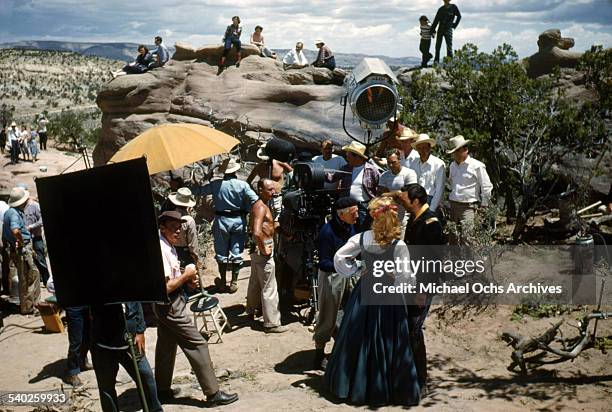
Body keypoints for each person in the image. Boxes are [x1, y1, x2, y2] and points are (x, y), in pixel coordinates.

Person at [324, 196, 420, 407]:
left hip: (365, 292)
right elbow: (407, 276)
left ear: (373, 217)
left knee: (359, 335)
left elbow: (339, 258)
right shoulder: (398, 244)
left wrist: (358, 268)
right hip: (389, 295)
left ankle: (355, 385)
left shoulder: (363, 238)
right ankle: (386, 387)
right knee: (389, 337)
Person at [153, 211, 238, 406]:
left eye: (179, 227)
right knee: (198, 343)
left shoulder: (167, 244)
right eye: (174, 228)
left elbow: (171, 278)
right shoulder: (162, 248)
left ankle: (162, 390)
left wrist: (185, 279)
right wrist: (186, 276)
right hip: (170, 305)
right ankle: (213, 393)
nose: (178, 231)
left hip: (169, 305)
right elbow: (164, 287)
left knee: (166, 345)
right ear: (163, 228)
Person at [390, 183, 445, 391]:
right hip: (410, 281)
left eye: (404, 200)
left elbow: (432, 262)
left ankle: (421, 381)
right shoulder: (415, 219)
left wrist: (422, 291)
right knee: (408, 327)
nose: (402, 203)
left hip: (422, 286)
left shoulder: (431, 223)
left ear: (415, 201)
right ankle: (408, 373)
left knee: (414, 329)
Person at [192, 158, 258, 293]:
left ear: (224, 172)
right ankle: (234, 281)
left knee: (221, 252)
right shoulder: (243, 185)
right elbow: (255, 201)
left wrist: (206, 178)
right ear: (236, 170)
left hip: (221, 220)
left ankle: (222, 281)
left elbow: (198, 191)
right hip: (238, 220)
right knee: (237, 250)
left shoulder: (216, 184)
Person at [312, 197, 358, 370]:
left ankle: (343, 350)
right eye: (353, 213)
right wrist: (343, 266)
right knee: (327, 316)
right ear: (341, 214)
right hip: (331, 278)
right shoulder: (327, 232)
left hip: (349, 275)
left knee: (349, 314)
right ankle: (319, 355)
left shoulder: (350, 225)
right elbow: (323, 263)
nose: (356, 217)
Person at [90, 302, 162, 412]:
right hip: (103, 343)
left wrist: (140, 330)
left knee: (146, 377)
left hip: (130, 340)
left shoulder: (128, 285)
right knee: (106, 387)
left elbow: (136, 300)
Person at [247, 179, 288, 333]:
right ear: (260, 190)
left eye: (273, 189)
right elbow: (257, 231)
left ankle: (251, 310)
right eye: (269, 190)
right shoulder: (260, 207)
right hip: (263, 249)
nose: (273, 192)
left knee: (256, 282)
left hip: (258, 249)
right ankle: (272, 323)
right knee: (269, 287)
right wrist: (264, 248)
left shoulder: (263, 205)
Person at [447, 135, 493, 244]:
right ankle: (455, 260)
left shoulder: (477, 166)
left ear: (465, 150)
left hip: (468, 206)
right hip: (454, 205)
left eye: (458, 151)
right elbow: (451, 183)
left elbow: (486, 186)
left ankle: (470, 260)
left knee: (468, 238)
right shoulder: (452, 166)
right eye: (454, 152)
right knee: (453, 237)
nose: (456, 154)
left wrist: (484, 204)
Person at [2, 187, 40, 314]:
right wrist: (22, 242)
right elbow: (15, 230)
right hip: (22, 248)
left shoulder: (9, 212)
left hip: (15, 248)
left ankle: (28, 306)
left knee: (25, 276)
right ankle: (30, 307)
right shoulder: (13, 213)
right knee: (31, 276)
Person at [328, 141, 380, 232]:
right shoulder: (345, 168)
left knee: (363, 230)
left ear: (357, 157)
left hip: (364, 207)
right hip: (348, 207)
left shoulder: (371, 170)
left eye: (349, 156)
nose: (347, 157)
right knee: (347, 230)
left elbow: (379, 187)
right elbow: (331, 177)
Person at [247, 143, 294, 222]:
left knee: (279, 222)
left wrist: (289, 189)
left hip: (279, 197)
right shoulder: (258, 167)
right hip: (265, 199)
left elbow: (292, 174)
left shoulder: (280, 163)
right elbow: (248, 182)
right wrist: (256, 193)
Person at [377, 148, 417, 238]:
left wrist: (390, 193)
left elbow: (410, 193)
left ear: (400, 160)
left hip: (404, 212)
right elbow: (380, 194)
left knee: (400, 238)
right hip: (388, 212)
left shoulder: (409, 173)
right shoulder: (384, 175)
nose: (391, 165)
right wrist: (397, 193)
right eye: (388, 162)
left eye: (393, 162)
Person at [411, 133, 445, 214]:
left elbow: (439, 189)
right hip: (416, 200)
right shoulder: (414, 163)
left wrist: (432, 209)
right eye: (419, 148)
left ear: (429, 148)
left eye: (424, 148)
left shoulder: (439, 164)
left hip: (430, 200)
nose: (422, 150)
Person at [21, 190, 50, 285]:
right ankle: (39, 280)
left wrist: (31, 226)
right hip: (26, 238)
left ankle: (47, 281)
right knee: (31, 261)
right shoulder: (21, 207)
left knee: (40, 259)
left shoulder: (34, 206)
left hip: (36, 237)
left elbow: (42, 219)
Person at [166, 188, 199, 269]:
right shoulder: (189, 220)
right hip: (184, 254)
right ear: (188, 204)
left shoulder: (167, 216)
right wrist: (196, 258)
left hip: (169, 251)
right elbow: (192, 244)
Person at [431, 0, 462, 65]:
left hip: (448, 29)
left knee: (449, 46)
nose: (446, 0)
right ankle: (436, 62)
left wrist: (454, 25)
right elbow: (436, 21)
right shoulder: (441, 9)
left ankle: (449, 63)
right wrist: (432, 31)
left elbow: (459, 16)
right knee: (438, 46)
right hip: (440, 29)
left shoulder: (453, 7)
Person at [0, 198, 10, 295]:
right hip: (4, 244)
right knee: (5, 267)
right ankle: (7, 288)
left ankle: (6, 288)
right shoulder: (6, 209)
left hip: (3, 244)